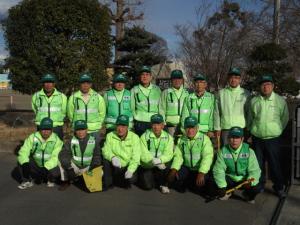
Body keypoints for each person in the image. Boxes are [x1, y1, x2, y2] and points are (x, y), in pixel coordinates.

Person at [248, 74, 289, 198]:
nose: (265, 87)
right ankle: (260, 186)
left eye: (268, 84)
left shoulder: (280, 100)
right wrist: (252, 130)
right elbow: (250, 118)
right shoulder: (254, 101)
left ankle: (279, 187)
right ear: (260, 87)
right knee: (258, 164)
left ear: (273, 86)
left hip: (273, 139)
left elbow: (285, 118)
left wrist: (277, 130)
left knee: (275, 164)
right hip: (257, 138)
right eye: (263, 84)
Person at [212, 126, 261, 203]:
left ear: (242, 139)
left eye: (237, 137)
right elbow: (218, 169)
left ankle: (248, 195)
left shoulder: (249, 151)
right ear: (228, 138)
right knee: (214, 184)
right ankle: (227, 192)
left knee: (257, 186)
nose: (234, 140)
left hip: (244, 180)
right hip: (230, 178)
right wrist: (221, 186)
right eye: (232, 137)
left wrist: (250, 181)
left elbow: (255, 170)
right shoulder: (223, 151)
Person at [168, 116, 214, 194]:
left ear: (197, 128)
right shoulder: (181, 139)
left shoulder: (204, 139)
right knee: (176, 181)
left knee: (201, 189)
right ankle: (188, 183)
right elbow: (178, 157)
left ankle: (192, 184)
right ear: (184, 128)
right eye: (187, 128)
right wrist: (174, 169)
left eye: (192, 127)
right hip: (187, 168)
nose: (190, 130)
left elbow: (207, 157)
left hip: (199, 170)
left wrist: (202, 173)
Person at [17, 117, 63, 189]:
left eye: (48, 129)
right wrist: (25, 163)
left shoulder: (57, 140)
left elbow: (56, 157)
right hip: (37, 164)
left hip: (48, 167)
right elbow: (24, 151)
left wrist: (46, 167)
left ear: (51, 130)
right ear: (40, 129)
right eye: (43, 129)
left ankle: (50, 179)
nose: (45, 131)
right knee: (21, 161)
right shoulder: (32, 137)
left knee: (58, 168)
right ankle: (27, 180)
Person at [58, 120, 102, 191]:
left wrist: (93, 167)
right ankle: (65, 181)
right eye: (78, 130)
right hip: (74, 167)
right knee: (60, 161)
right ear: (75, 131)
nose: (80, 132)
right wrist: (69, 168)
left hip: (88, 167)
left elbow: (97, 156)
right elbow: (64, 154)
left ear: (87, 130)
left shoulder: (94, 140)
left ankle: (82, 179)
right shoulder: (70, 140)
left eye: (83, 129)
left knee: (101, 172)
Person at [102, 115, 141, 189]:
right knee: (106, 160)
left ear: (127, 127)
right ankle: (109, 183)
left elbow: (136, 157)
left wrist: (130, 170)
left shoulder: (135, 137)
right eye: (118, 126)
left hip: (127, 166)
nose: (120, 129)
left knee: (132, 180)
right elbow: (105, 150)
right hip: (115, 165)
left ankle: (118, 180)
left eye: (123, 126)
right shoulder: (110, 135)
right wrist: (112, 157)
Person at [214, 68, 250, 145]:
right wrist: (217, 128)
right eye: (231, 77)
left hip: (241, 128)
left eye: (236, 78)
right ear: (228, 79)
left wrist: (249, 128)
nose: (233, 80)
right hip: (226, 129)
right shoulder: (221, 93)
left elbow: (249, 112)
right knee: (226, 153)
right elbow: (217, 112)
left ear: (240, 79)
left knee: (241, 153)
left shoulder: (246, 93)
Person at [139, 114, 174, 194]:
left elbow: (169, 154)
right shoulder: (144, 136)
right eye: (154, 124)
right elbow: (143, 154)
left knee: (169, 163)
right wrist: (153, 160)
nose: (156, 127)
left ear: (162, 125)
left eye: (158, 124)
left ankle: (164, 184)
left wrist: (159, 160)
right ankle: (155, 180)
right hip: (148, 165)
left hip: (160, 164)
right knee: (147, 186)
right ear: (151, 125)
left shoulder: (168, 137)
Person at [67, 73, 106, 137]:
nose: (85, 85)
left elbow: (102, 113)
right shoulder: (73, 97)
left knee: (95, 147)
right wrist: (76, 124)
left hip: (94, 130)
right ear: (80, 84)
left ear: (91, 84)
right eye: (83, 83)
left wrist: (98, 124)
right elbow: (70, 114)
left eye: (87, 83)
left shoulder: (98, 97)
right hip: (79, 130)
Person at [31, 74, 67, 140]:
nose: (48, 85)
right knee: (41, 148)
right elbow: (35, 110)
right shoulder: (36, 96)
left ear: (54, 84)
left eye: (50, 82)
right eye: (46, 82)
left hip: (56, 127)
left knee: (58, 149)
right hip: (41, 127)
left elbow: (64, 111)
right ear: (43, 84)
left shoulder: (62, 96)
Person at [131, 66, 161, 136]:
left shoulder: (157, 89)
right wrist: (135, 117)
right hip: (140, 122)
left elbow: (161, 106)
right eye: (143, 75)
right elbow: (131, 107)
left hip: (154, 122)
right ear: (140, 77)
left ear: (151, 77)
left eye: (147, 75)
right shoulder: (134, 90)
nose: (145, 77)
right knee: (141, 144)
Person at [159, 69, 189, 137]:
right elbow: (161, 109)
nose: (177, 81)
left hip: (184, 125)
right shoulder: (165, 92)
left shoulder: (187, 93)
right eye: (174, 78)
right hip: (170, 126)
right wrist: (163, 122)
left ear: (182, 80)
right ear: (171, 80)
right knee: (170, 145)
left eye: (179, 78)